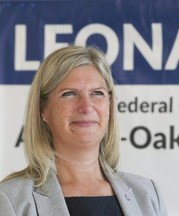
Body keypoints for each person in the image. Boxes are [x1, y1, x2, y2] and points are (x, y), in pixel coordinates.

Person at [0, 45, 167, 216]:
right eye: (69, 94)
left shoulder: (147, 195)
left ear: (109, 105)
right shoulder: (10, 200)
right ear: (43, 109)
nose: (86, 107)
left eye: (97, 93)